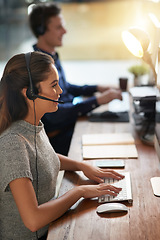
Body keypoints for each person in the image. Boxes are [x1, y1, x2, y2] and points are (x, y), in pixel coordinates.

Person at [0, 51, 124, 240]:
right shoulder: (12, 143)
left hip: (52, 227)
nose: (60, 91)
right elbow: (32, 220)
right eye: (54, 85)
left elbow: (43, 157)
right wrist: (80, 191)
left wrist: (83, 166)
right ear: (30, 93)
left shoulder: (33, 126)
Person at [29, 3, 122, 156]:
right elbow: (55, 116)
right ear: (41, 30)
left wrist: (97, 88)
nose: (65, 31)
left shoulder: (51, 56)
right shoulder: (37, 66)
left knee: (110, 134)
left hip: (69, 123)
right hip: (59, 137)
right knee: (107, 142)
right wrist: (97, 101)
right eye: (59, 27)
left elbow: (66, 87)